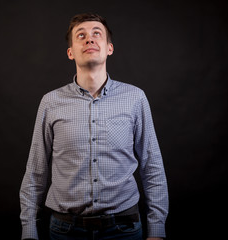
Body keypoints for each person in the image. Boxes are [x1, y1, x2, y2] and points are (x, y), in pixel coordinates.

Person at [20, 13, 169, 240]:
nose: (89, 39)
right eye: (81, 35)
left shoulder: (135, 98)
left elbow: (152, 166)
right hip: (64, 231)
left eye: (96, 34)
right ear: (70, 52)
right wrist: (29, 231)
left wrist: (157, 230)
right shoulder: (50, 102)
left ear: (109, 48)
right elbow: (36, 171)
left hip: (124, 229)